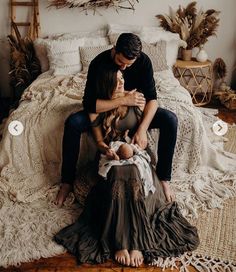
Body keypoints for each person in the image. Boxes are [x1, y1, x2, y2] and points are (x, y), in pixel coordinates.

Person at [54, 65, 199, 267]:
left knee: (131, 168)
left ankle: (136, 242)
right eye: (118, 80)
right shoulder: (97, 108)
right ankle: (122, 242)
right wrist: (107, 150)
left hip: (136, 153)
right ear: (107, 85)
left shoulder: (136, 99)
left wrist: (140, 134)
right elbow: (99, 142)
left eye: (122, 78)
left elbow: (151, 111)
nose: (123, 82)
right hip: (110, 156)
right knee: (120, 169)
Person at [55, 32, 177, 207]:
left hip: (133, 112)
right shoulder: (99, 63)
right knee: (73, 123)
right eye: (121, 62)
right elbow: (89, 104)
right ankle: (67, 182)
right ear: (114, 50)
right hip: (104, 109)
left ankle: (164, 178)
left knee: (170, 120)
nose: (124, 68)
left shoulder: (143, 62)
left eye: (129, 64)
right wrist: (123, 100)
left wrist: (142, 129)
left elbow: (152, 99)